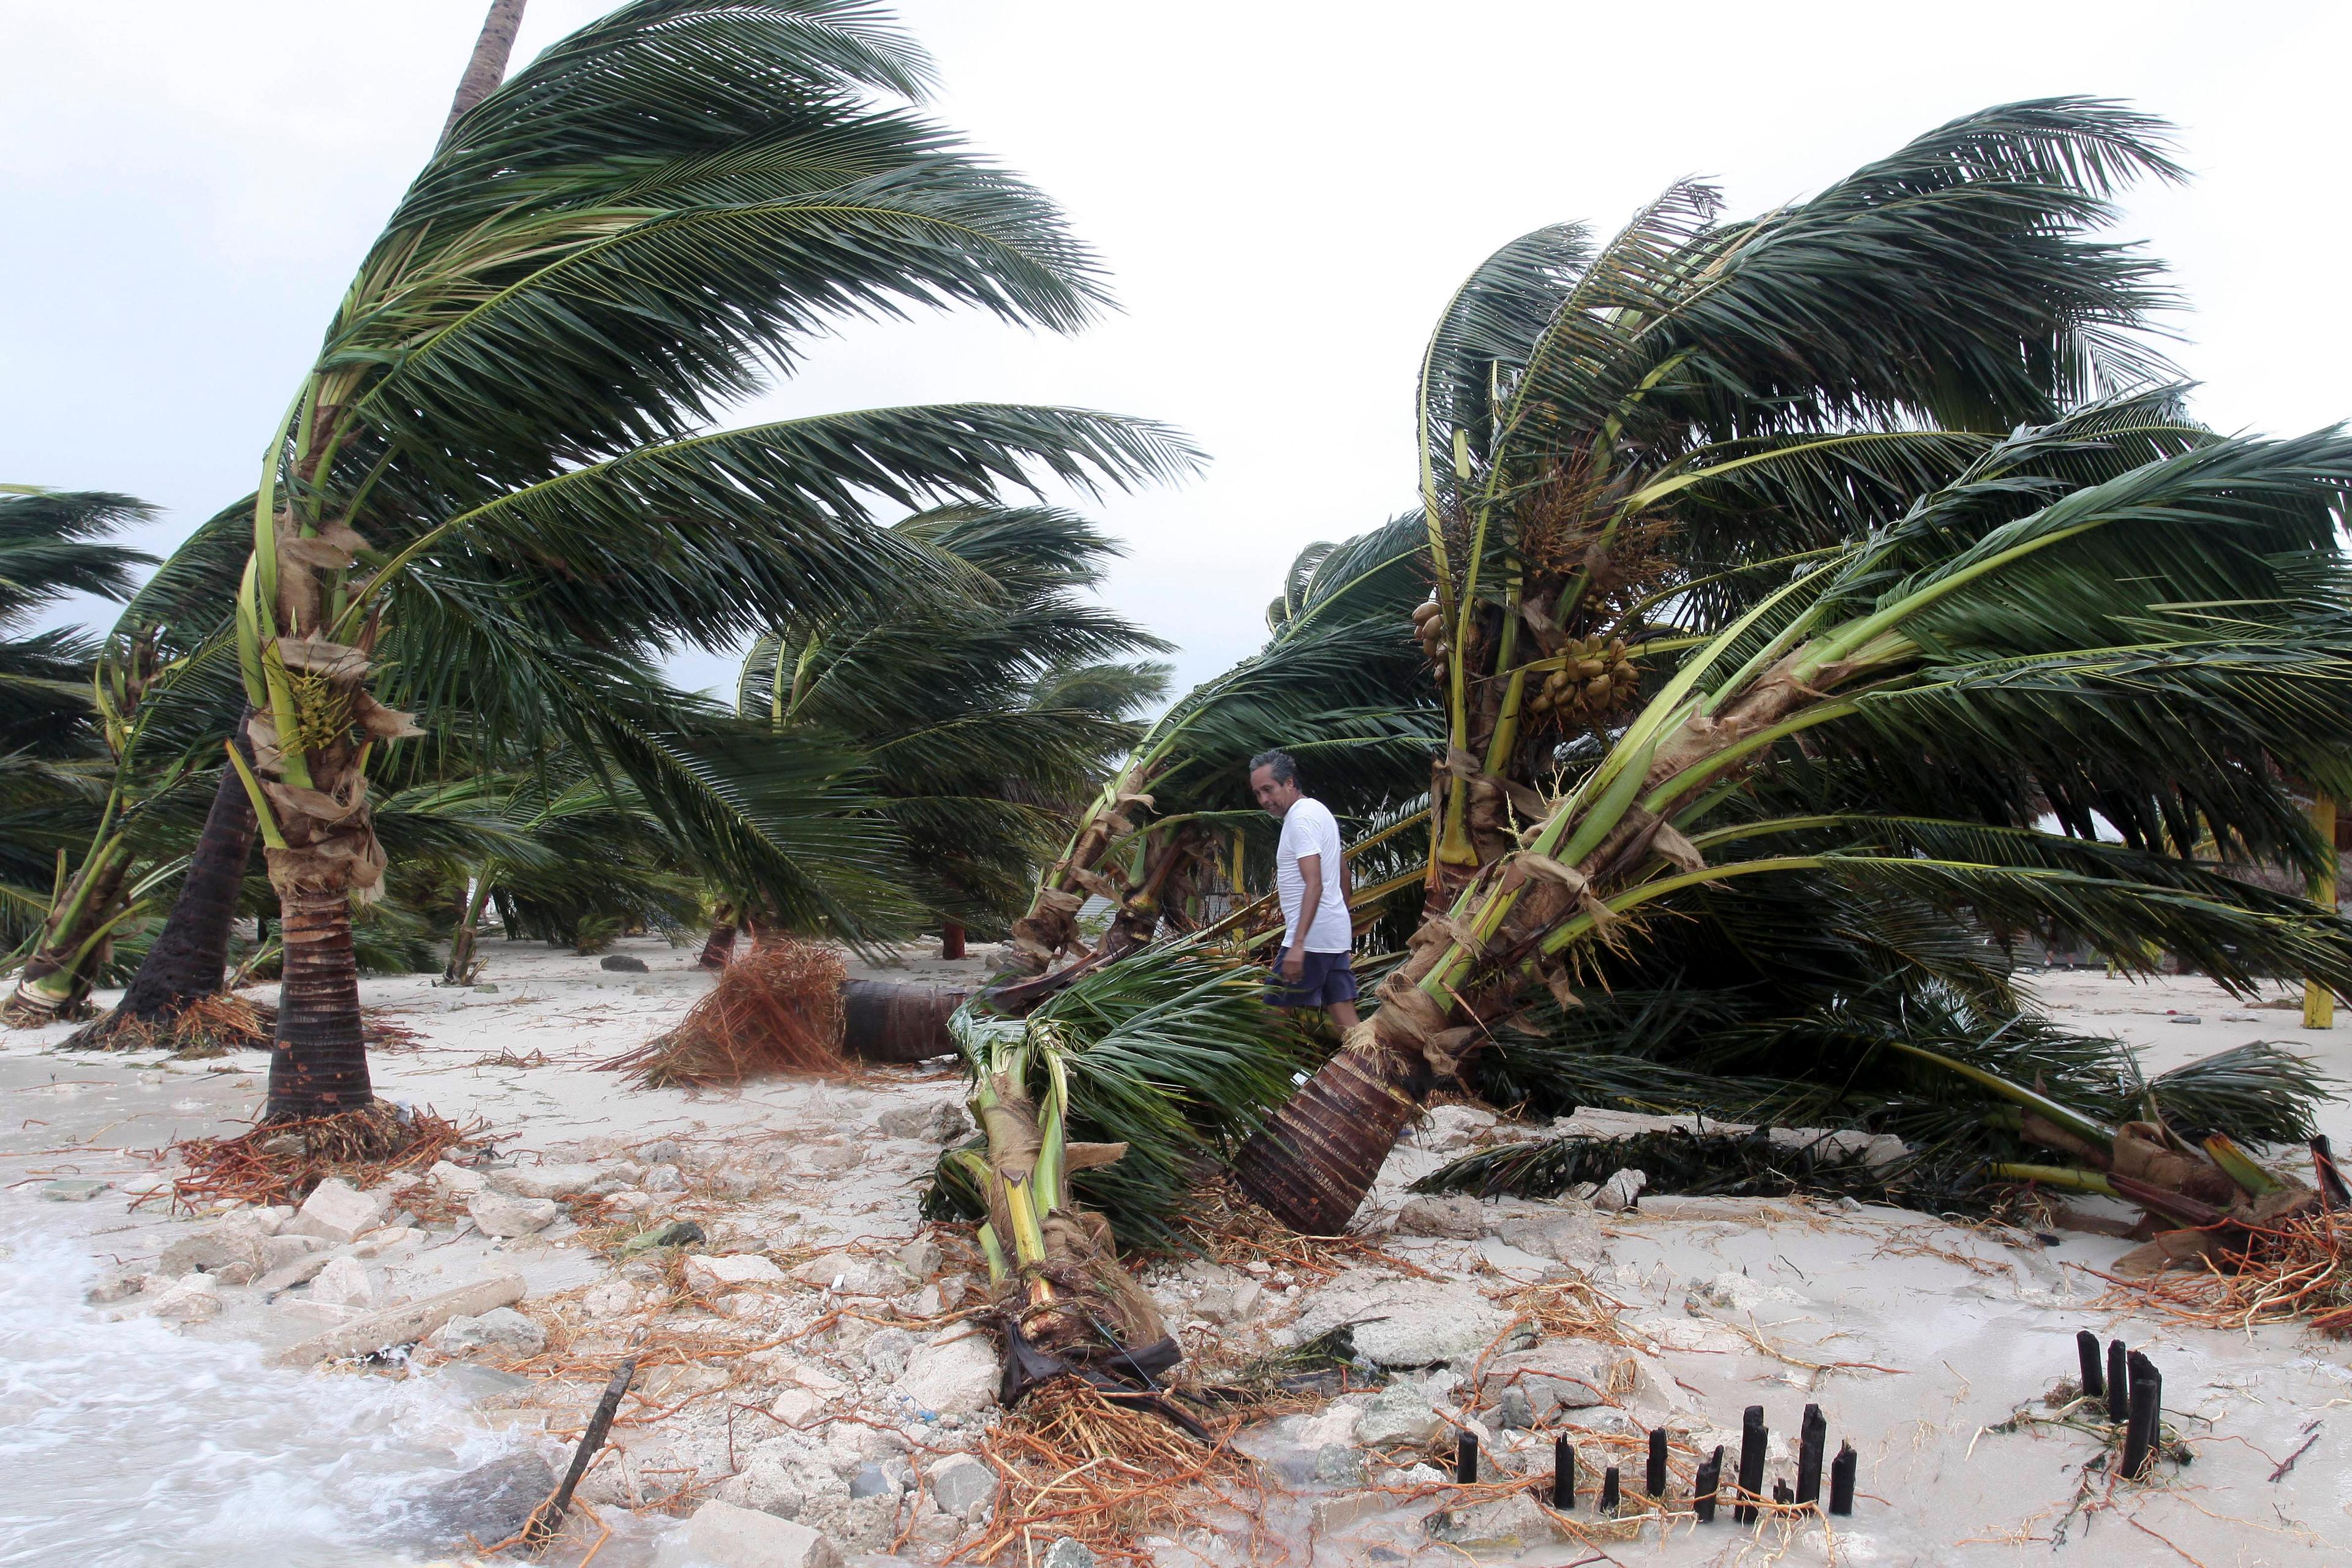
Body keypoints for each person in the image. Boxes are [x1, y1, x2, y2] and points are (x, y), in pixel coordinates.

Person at [1248, 748, 1359, 1030]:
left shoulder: (1300, 820)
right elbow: (1343, 872)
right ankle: (1373, 1071)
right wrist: (1338, 919)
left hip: (1310, 940)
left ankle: (1276, 1075)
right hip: (1331, 936)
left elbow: (1315, 882)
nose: (1264, 800)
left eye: (1268, 790)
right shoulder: (1318, 811)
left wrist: (1298, 945)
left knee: (1273, 1016)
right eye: (1258, 793)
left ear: (1289, 782)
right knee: (1347, 1019)